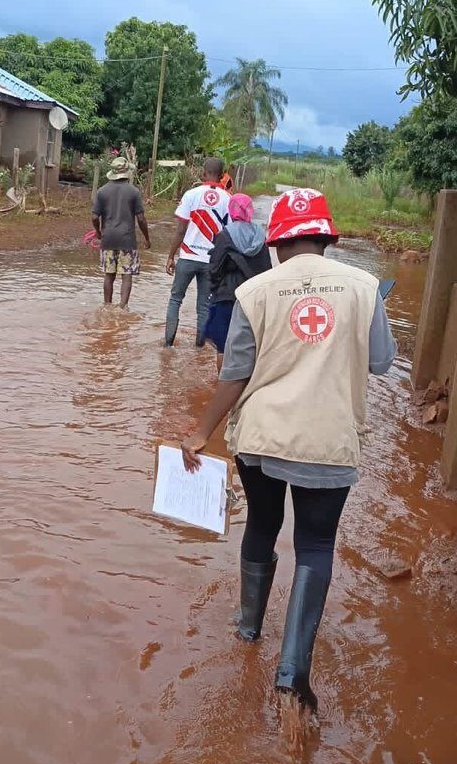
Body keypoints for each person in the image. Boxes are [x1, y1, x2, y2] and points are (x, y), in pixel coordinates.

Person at [181, 188, 396, 713]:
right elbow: (382, 363)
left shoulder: (257, 292)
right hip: (329, 441)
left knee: (261, 525)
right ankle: (292, 671)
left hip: (261, 438)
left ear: (277, 244)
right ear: (326, 238)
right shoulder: (366, 288)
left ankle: (249, 629)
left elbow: (234, 375)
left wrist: (201, 431)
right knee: (316, 546)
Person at [164, 158, 231, 347]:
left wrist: (170, 256)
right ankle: (199, 348)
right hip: (211, 261)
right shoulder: (228, 199)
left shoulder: (191, 194)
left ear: (204, 172)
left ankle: (168, 345)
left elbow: (180, 230)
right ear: (222, 174)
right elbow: (228, 234)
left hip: (187, 256)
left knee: (176, 299)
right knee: (204, 307)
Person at [203, 193, 271, 371]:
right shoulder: (260, 236)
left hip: (227, 296)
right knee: (250, 343)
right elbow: (267, 269)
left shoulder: (225, 235)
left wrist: (213, 290)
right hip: (253, 298)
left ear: (231, 210)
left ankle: (222, 386)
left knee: (223, 345)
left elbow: (215, 268)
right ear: (250, 210)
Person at [92, 156, 151, 309]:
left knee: (108, 275)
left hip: (108, 238)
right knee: (126, 275)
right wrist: (146, 238)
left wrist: (98, 232)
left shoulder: (102, 191)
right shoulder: (133, 192)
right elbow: (141, 218)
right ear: (127, 172)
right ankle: (123, 308)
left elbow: (94, 216)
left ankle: (107, 306)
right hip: (127, 240)